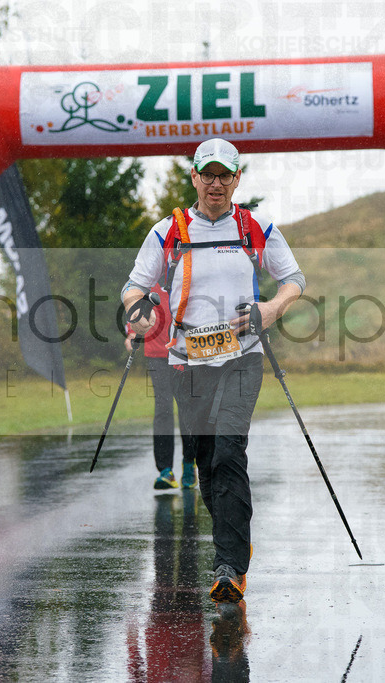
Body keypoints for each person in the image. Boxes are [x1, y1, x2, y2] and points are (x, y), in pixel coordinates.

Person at [121, 138, 305, 604]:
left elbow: (294, 281)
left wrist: (271, 309)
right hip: (187, 362)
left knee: (228, 450)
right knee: (206, 464)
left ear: (237, 178)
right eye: (209, 174)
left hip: (243, 355)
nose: (217, 183)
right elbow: (134, 287)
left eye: (226, 175)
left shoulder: (254, 226)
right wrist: (139, 311)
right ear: (195, 177)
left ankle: (230, 566)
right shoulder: (168, 231)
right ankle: (233, 542)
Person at [124, 284, 195, 490]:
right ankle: (165, 471)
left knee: (187, 408)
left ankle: (190, 462)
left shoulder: (186, 268)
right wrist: (131, 332)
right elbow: (135, 305)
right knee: (163, 408)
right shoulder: (150, 273)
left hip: (186, 352)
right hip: (157, 353)